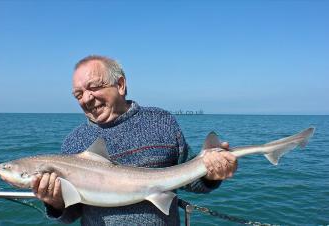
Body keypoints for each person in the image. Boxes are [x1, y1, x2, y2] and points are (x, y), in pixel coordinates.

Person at [31, 55, 237, 225]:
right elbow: (72, 214)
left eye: (93, 87)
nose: (86, 99)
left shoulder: (161, 121)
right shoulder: (74, 143)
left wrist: (211, 175)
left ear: (120, 84)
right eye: (78, 94)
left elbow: (190, 182)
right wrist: (55, 203)